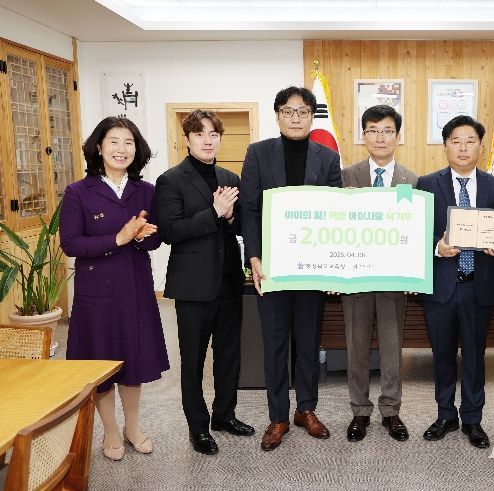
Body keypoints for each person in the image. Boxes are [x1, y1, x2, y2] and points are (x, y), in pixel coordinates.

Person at [60, 116, 169, 461]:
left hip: (135, 288)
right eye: (114, 141)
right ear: (99, 147)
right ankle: (109, 430)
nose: (122, 149)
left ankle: (132, 427)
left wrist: (142, 237)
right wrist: (118, 238)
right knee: (102, 361)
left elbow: (155, 240)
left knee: (132, 360)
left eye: (129, 142)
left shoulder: (146, 190)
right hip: (97, 294)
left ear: (137, 150)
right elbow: (71, 243)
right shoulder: (78, 191)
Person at [240, 86, 342, 451]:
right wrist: (254, 257)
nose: (295, 118)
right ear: (277, 115)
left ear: (312, 116)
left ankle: (306, 409)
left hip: (311, 265)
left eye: (302, 112)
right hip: (272, 266)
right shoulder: (258, 153)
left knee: (309, 341)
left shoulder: (328, 158)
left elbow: (336, 212)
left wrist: (332, 263)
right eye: (288, 111)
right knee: (275, 342)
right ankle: (278, 416)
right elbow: (249, 209)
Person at [154, 109, 253, 456]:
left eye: (213, 134)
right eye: (199, 134)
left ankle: (224, 415)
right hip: (193, 286)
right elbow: (170, 231)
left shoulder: (230, 177)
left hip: (229, 281)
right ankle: (198, 426)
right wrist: (213, 212)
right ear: (187, 139)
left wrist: (230, 216)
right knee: (193, 360)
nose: (207, 140)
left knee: (229, 356)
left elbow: (240, 224)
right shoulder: (171, 180)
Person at [416, 115, 494, 449]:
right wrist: (436, 247)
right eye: (455, 141)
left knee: (474, 356)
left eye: (470, 141)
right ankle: (445, 415)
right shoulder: (427, 183)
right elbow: (415, 230)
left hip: (477, 285)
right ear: (445, 146)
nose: (463, 147)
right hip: (441, 285)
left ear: (481, 146)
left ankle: (472, 418)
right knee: (441, 355)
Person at [341, 105, 417, 443]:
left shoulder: (411, 180)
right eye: (373, 130)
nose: (380, 137)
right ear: (364, 136)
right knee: (356, 346)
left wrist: (414, 273)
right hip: (355, 277)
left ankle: (391, 410)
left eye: (387, 130)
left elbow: (413, 231)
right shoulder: (346, 177)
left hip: (393, 278)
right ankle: (359, 410)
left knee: (391, 346)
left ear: (397, 136)